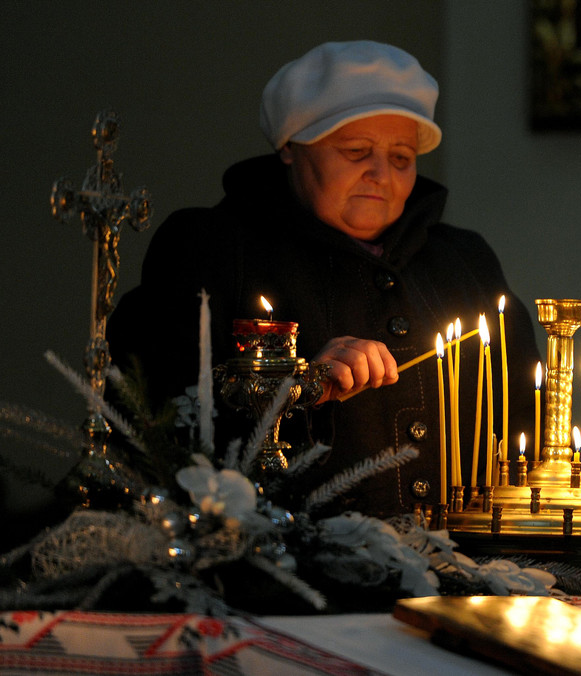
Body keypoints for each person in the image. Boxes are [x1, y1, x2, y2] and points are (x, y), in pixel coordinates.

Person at [109, 41, 541, 517]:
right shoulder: (211, 249)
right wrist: (297, 388)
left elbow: (524, 415)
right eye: (356, 151)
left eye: (401, 158)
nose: (380, 174)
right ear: (291, 148)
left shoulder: (463, 262)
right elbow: (157, 420)